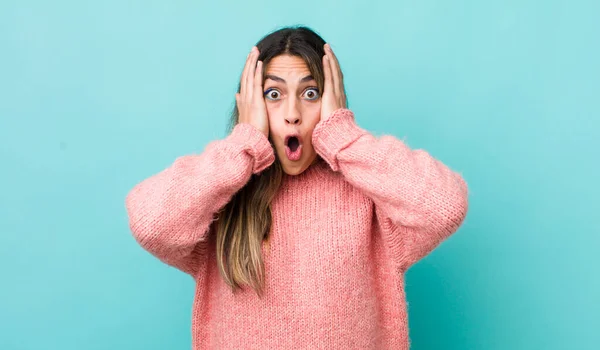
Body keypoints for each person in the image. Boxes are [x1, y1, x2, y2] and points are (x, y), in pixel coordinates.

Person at [125, 25, 469, 350]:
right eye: (273, 94)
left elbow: (445, 206)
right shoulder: (221, 199)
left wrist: (344, 138)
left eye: (310, 93)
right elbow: (152, 224)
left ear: (333, 101)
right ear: (250, 107)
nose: (292, 113)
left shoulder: (372, 195)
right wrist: (241, 146)